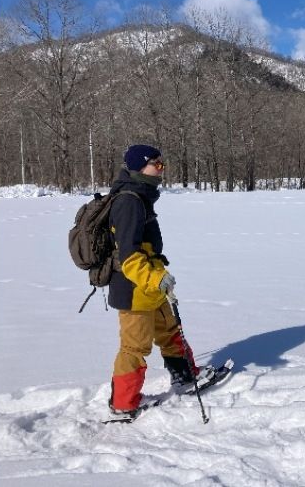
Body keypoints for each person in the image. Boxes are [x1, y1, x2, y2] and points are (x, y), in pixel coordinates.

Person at [107, 144, 208, 414]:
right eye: (157, 164)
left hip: (151, 284)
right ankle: (123, 405)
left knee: (170, 331)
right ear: (140, 167)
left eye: (162, 164)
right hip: (134, 288)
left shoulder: (141, 196)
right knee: (134, 348)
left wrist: (158, 279)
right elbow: (128, 257)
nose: (161, 169)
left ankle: (185, 376)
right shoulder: (128, 201)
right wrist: (155, 279)